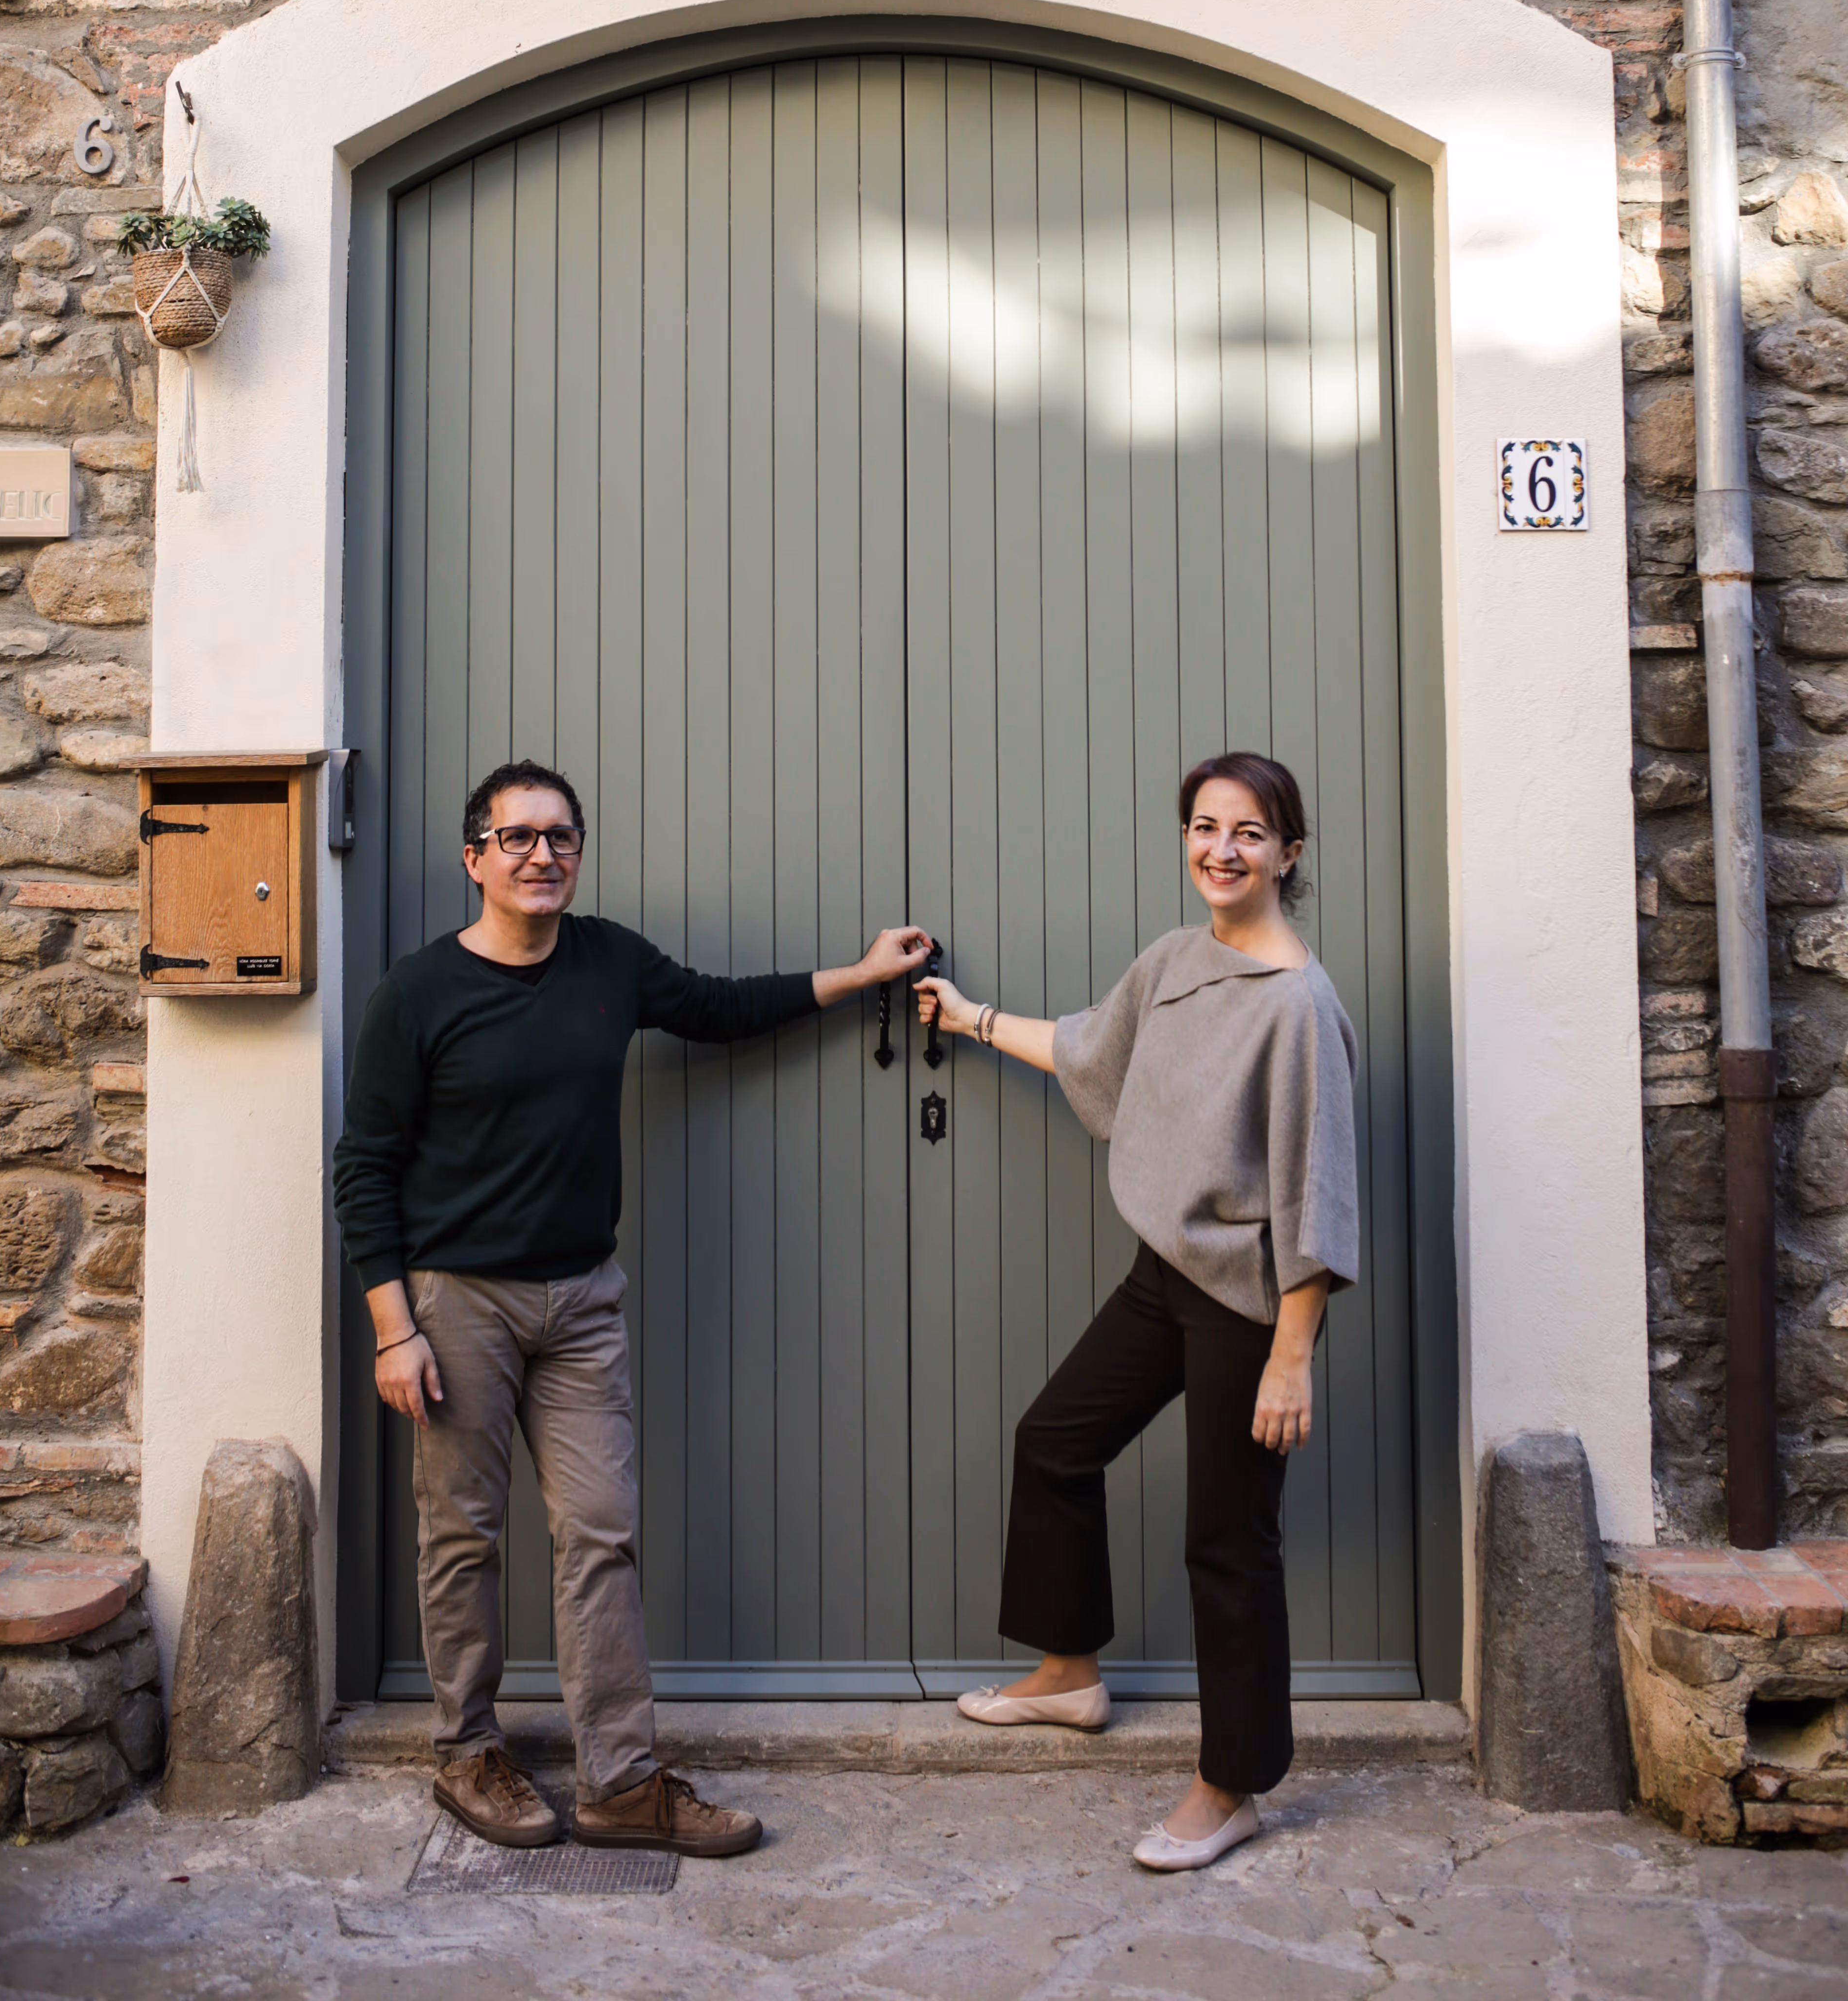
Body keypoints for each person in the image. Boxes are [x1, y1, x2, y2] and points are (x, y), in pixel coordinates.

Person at [333, 756, 931, 1858]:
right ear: (475, 860)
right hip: (457, 1304)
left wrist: (856, 976)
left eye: (560, 836)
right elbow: (364, 1166)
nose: (542, 855)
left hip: (582, 1305)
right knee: (461, 1535)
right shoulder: (416, 994)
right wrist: (394, 1329)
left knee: (601, 1533)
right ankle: (467, 1753)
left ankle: (619, 1781)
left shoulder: (608, 959)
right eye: (517, 838)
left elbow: (717, 1006)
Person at [914, 751, 1358, 1873]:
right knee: (1054, 1443)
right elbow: (1087, 1050)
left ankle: (1232, 1786)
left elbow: (1318, 1196)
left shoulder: (1300, 1007)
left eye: (1248, 832)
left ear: (1288, 854)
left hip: (1250, 1306)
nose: (1222, 849)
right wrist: (971, 1018)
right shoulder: (1173, 961)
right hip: (1166, 1274)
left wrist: (1292, 1356)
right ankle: (1070, 1676)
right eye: (1205, 826)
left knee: (1229, 1544)